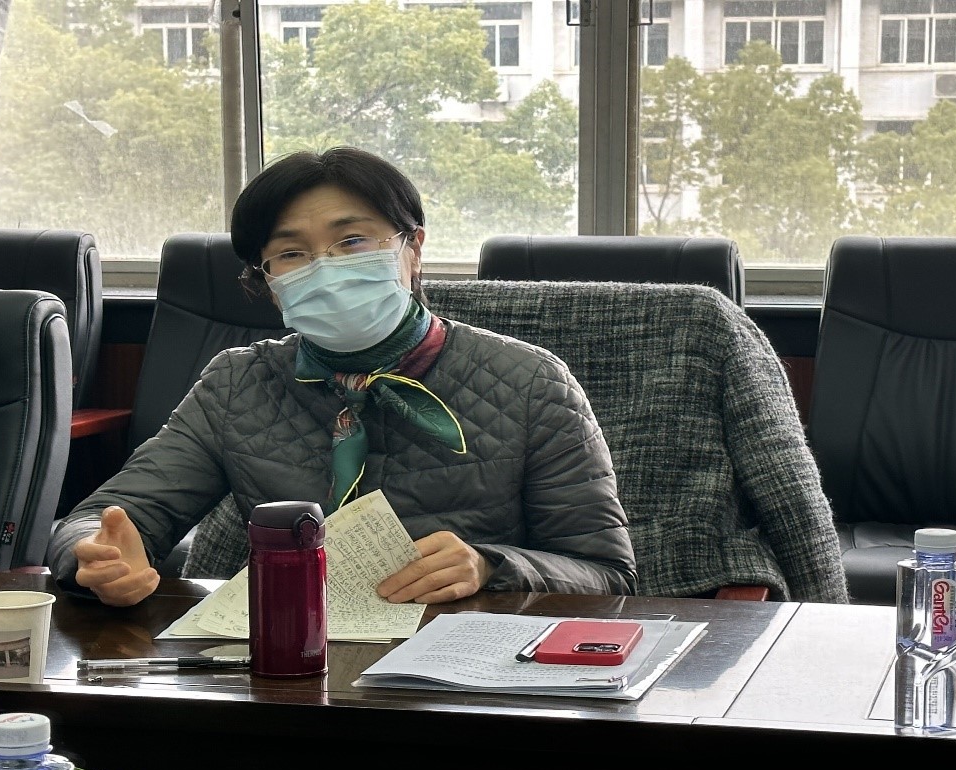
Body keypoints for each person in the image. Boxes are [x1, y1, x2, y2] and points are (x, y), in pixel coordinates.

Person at [47, 146, 637, 607]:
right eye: (292, 254)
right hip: (292, 662)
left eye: (352, 241)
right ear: (269, 282)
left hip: (469, 673)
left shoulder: (531, 382)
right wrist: (96, 557)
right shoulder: (237, 385)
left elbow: (607, 574)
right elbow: (100, 520)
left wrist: (491, 566)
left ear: (413, 248)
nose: (325, 269)